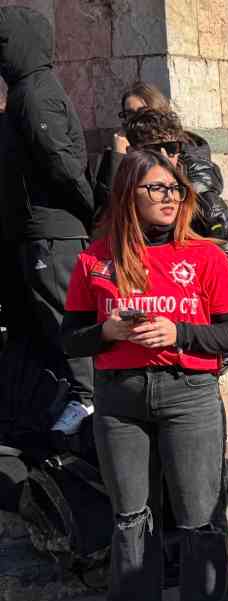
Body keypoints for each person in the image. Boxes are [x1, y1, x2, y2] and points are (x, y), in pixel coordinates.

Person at [61, 150, 228, 601]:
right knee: (129, 514)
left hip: (189, 392)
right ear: (128, 194)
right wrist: (108, 331)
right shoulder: (93, 259)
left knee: (199, 512)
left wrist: (178, 331)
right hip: (119, 398)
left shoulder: (206, 256)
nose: (170, 199)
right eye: (157, 189)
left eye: (175, 190)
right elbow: (70, 340)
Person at [0, 6, 95, 436]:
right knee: (39, 324)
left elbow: (59, 162)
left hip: (54, 234)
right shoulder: (25, 91)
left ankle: (88, 399)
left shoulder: (36, 92)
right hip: (35, 231)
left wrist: (92, 209)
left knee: (64, 318)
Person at [123, 108, 228, 367]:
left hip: (198, 352)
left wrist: (225, 349)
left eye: (172, 148)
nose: (164, 157)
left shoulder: (202, 203)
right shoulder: (123, 202)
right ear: (134, 152)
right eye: (154, 149)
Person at [92, 82, 172, 222]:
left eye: (141, 112)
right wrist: (117, 157)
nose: (135, 120)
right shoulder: (115, 153)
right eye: (129, 114)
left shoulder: (176, 148)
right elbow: (106, 206)